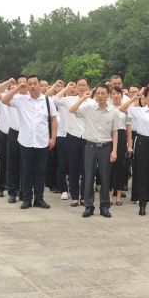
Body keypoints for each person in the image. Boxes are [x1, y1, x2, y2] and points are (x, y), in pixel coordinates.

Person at [0, 75, 58, 210]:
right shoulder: (20, 99)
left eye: (35, 83)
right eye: (29, 84)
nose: (32, 86)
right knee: (26, 171)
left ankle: (39, 198)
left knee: (40, 171)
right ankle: (26, 199)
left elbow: (53, 119)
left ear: (40, 85)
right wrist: (17, 88)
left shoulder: (48, 100)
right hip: (26, 142)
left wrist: (53, 138)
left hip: (42, 141)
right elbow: (5, 100)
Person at [69, 83, 121, 218]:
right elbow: (72, 110)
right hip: (90, 147)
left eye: (103, 93)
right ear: (95, 95)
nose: (100, 96)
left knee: (105, 178)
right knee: (88, 177)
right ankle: (88, 206)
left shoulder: (113, 112)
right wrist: (83, 98)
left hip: (106, 147)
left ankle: (104, 206)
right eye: (98, 93)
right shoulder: (88, 108)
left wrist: (114, 150)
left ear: (108, 95)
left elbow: (115, 132)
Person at [119, 85, 149, 216]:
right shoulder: (139, 111)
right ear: (145, 98)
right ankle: (142, 205)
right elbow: (122, 108)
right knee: (142, 174)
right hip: (143, 142)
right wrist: (134, 98)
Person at [54, 78, 90, 207]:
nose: (81, 87)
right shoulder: (69, 99)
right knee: (73, 168)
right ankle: (75, 197)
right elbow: (54, 99)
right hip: (72, 136)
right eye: (79, 85)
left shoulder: (92, 102)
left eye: (84, 85)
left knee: (86, 169)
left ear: (88, 87)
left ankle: (84, 196)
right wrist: (66, 88)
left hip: (87, 137)